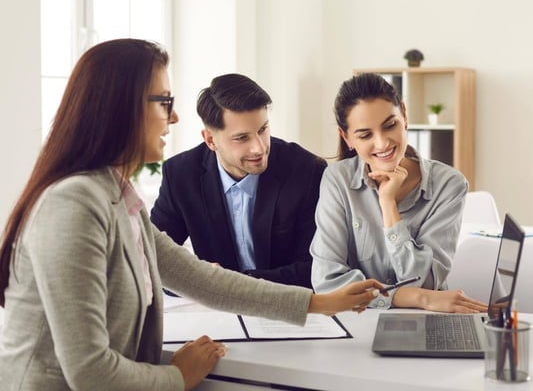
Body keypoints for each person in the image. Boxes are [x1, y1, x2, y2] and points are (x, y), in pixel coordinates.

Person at [0, 39, 384, 391]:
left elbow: (202, 280)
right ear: (122, 108)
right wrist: (178, 376)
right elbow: (90, 373)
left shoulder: (115, 196)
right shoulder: (74, 204)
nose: (175, 117)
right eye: (164, 102)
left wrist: (321, 303)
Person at [311, 72, 487, 313]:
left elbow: (425, 282)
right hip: (358, 322)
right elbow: (327, 283)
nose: (383, 143)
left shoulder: (449, 184)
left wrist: (388, 204)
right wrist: (414, 297)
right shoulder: (337, 180)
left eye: (390, 125)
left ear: (404, 115)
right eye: (365, 135)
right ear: (347, 137)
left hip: (426, 320)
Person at [150, 73, 326, 288]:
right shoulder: (180, 174)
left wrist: (228, 284)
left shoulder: (306, 169)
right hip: (216, 311)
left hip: (290, 307)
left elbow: (316, 268)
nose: (259, 147)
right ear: (210, 140)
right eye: (242, 138)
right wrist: (198, 278)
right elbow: (152, 261)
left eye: (263, 130)